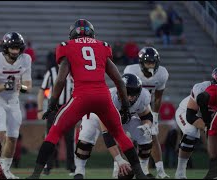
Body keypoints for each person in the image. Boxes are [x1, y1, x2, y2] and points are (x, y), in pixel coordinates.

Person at [26, 19, 147, 179]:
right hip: (103, 96)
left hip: (81, 96)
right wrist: (125, 107)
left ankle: (35, 175)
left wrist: (52, 104)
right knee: (120, 134)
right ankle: (140, 174)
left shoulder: (66, 47)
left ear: (72, 35)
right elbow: (118, 80)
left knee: (54, 132)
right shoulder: (102, 46)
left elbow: (61, 79)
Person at [75, 73, 154, 179]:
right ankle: (79, 171)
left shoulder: (143, 97)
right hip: (97, 116)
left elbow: (146, 115)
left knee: (145, 135)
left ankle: (143, 171)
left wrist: (147, 125)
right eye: (127, 94)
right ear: (119, 90)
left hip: (124, 118)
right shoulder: (109, 98)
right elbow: (107, 134)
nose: (130, 98)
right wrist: (119, 160)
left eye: (133, 95)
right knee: (86, 135)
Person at [0, 31, 32, 179]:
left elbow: (28, 86)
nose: (15, 51)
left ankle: (5, 170)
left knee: (12, 137)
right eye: (12, 48)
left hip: (14, 101)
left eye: (18, 48)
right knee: (0, 133)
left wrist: (21, 87)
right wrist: (6, 86)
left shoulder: (25, 60)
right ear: (6, 48)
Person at [124, 47, 170, 178]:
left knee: (152, 135)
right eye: (147, 62)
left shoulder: (162, 74)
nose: (150, 65)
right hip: (131, 107)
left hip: (146, 109)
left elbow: (158, 96)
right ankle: (121, 168)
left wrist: (154, 115)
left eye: (152, 62)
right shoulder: (131, 70)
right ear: (141, 62)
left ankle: (160, 170)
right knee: (127, 137)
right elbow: (124, 91)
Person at [174, 67, 217, 179]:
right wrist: (208, 128)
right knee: (191, 133)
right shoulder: (201, 88)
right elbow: (190, 116)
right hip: (186, 112)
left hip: (209, 118)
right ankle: (180, 173)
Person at [37, 55, 75, 176]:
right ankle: (48, 166)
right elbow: (42, 90)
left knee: (70, 139)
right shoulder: (52, 72)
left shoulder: (74, 71)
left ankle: (72, 166)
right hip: (54, 109)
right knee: (51, 138)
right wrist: (39, 109)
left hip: (69, 108)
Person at [197, 83, 217, 179]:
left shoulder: (214, 88)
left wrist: (206, 120)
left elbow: (202, 97)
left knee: (212, 133)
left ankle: (214, 171)